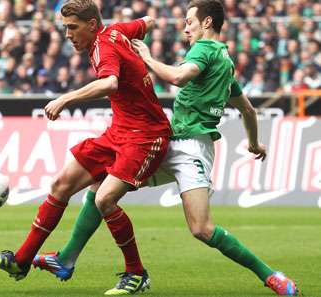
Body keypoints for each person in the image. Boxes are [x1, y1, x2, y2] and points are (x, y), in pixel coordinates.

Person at [31, 1, 299, 296]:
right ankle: (67, 258)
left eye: (190, 22)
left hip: (192, 151)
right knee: (101, 186)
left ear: (207, 22)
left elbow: (176, 77)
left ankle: (271, 275)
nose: (186, 29)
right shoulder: (225, 63)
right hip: (170, 142)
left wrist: (146, 56)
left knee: (201, 228)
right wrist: (253, 142)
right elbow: (247, 110)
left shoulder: (203, 50)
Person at [0, 0, 171, 295]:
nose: (68, 34)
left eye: (73, 27)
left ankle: (137, 273)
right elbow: (149, 21)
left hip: (146, 136)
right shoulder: (116, 31)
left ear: (92, 25)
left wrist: (66, 98)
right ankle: (20, 260)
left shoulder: (103, 46)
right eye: (65, 27)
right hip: (118, 131)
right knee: (61, 184)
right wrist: (143, 33)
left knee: (104, 200)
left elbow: (109, 84)